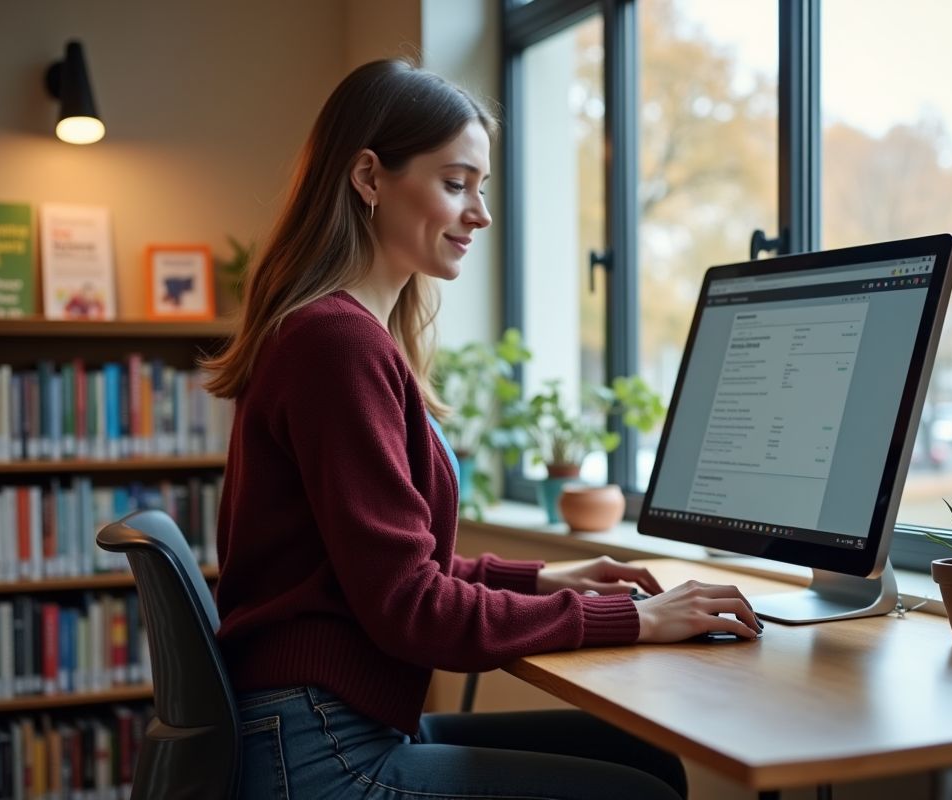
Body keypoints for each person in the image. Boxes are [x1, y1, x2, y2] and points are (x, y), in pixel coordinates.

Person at [203, 58, 761, 800]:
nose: (481, 214)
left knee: (649, 764)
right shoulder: (335, 344)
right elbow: (410, 607)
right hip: (317, 751)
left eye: (483, 188)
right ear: (369, 179)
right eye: (456, 183)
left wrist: (550, 579)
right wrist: (636, 620)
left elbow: (391, 570)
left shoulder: (339, 335)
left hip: (318, 726)